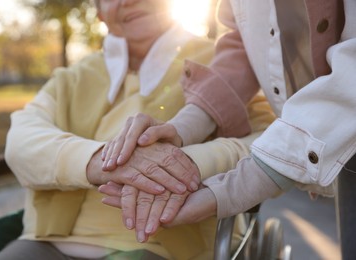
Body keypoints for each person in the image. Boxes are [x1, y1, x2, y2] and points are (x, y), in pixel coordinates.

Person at [0, 0, 276, 259]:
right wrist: (102, 162)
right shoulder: (71, 78)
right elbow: (22, 140)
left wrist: (188, 164)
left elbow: (271, 140)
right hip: (47, 243)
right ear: (100, 12)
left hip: (164, 248)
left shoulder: (225, 62)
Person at [99, 0, 356, 258]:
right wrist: (179, 130)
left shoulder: (195, 51)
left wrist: (228, 187)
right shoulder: (76, 77)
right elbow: (244, 44)